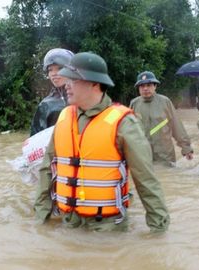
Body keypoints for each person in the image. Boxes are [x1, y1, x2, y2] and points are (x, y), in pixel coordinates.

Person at [34, 52, 170, 232]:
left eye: (73, 80)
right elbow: (47, 169)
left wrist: (158, 231)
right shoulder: (64, 118)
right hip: (70, 223)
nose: (66, 85)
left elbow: (146, 180)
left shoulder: (124, 123)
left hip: (106, 228)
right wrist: (41, 220)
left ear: (94, 83)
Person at [129, 71, 193, 167]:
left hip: (165, 155)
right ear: (138, 88)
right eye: (142, 86)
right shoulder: (134, 104)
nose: (145, 88)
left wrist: (186, 148)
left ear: (155, 86)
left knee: (167, 178)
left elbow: (176, 126)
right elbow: (128, 130)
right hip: (142, 155)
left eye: (149, 85)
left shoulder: (165, 102)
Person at [30, 48, 74, 136]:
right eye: (50, 70)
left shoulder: (85, 98)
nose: (54, 73)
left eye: (60, 68)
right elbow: (36, 139)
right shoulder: (45, 105)